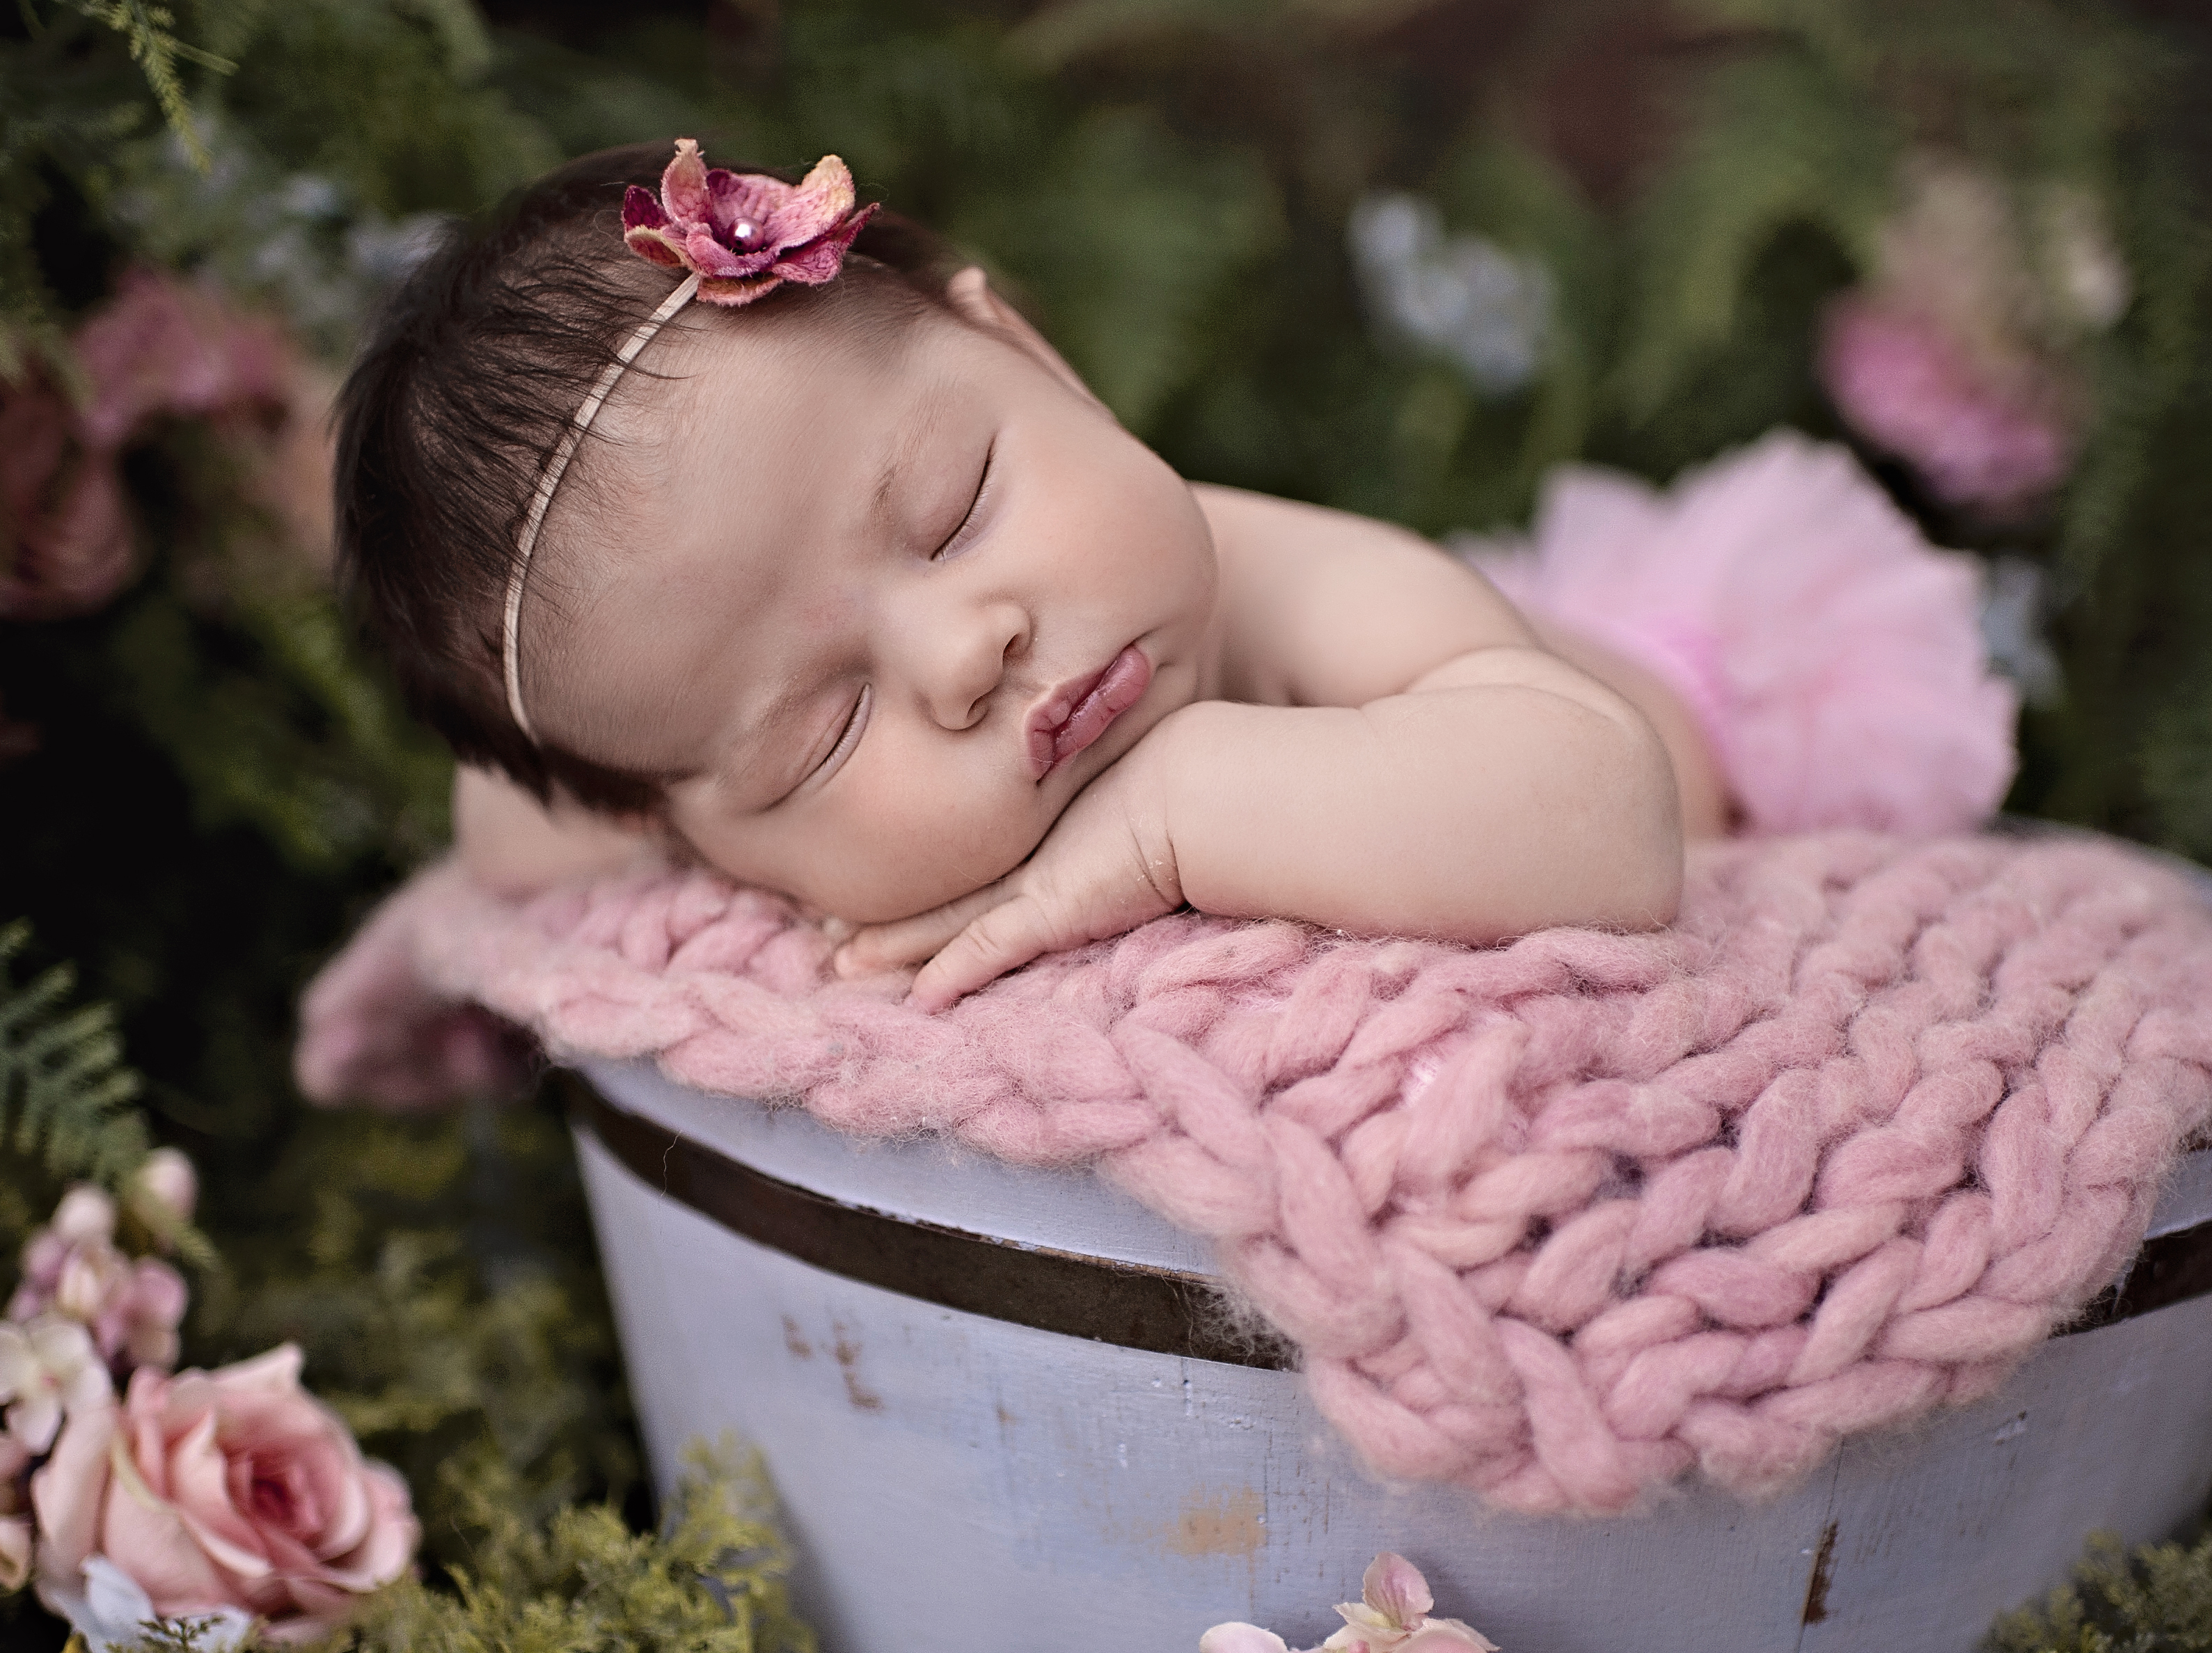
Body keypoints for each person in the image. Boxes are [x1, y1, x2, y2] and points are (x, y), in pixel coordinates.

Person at [336, 140, 1737, 1013]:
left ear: (1029, 353)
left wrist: (1173, 814)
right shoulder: (669, 780)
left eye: (953, 515)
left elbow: (1611, 820)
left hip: (1695, 734)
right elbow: (516, 819)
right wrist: (446, 935)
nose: (963, 654)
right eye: (815, 735)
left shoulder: (1308, 591)